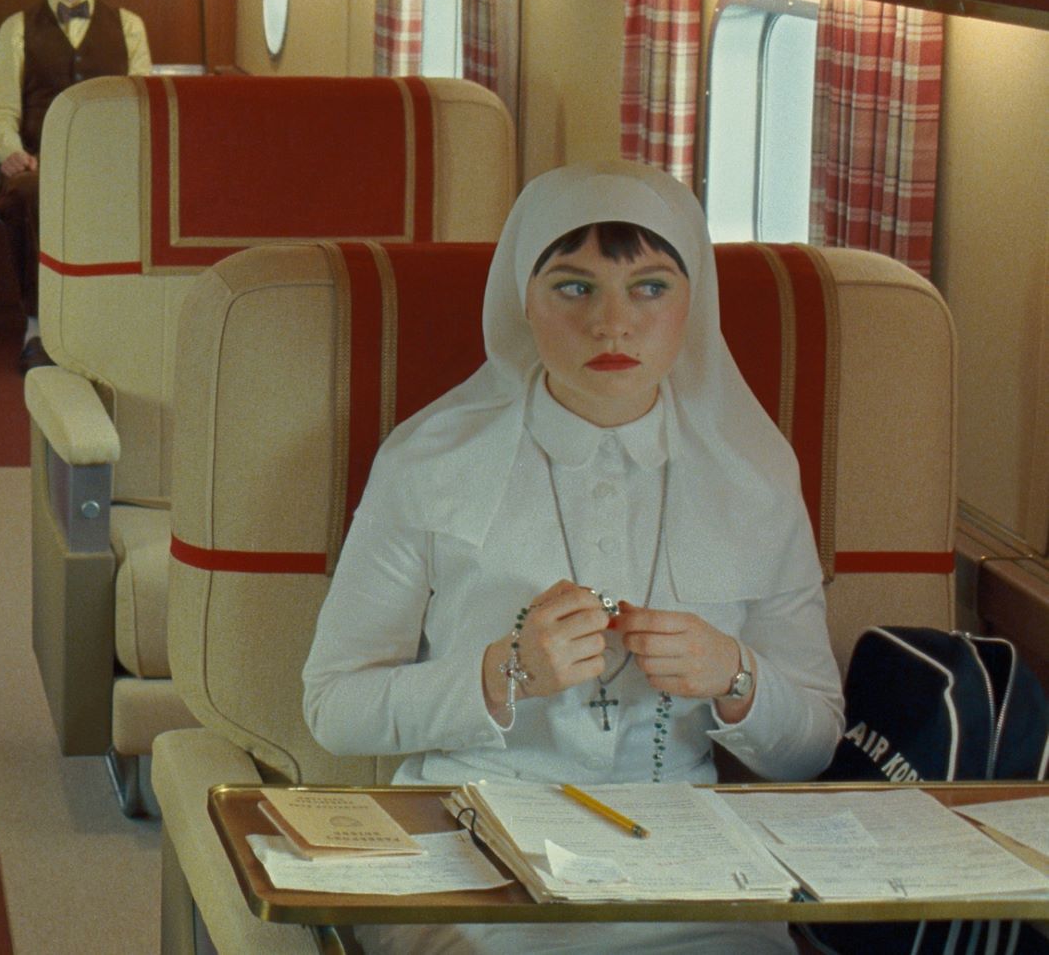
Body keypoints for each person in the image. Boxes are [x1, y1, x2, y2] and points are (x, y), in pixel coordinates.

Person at [303, 161, 842, 955]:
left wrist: (737, 675)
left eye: (649, 287)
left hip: (681, 864)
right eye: (575, 287)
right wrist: (502, 673)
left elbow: (814, 743)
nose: (612, 324)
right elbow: (333, 706)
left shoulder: (755, 476)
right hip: (470, 846)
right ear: (523, 299)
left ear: (694, 303)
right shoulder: (428, 462)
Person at [0, 0, 151, 369]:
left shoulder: (129, 26)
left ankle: (117, 329)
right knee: (27, 194)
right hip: (40, 162)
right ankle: (37, 328)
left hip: (111, 162)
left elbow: (143, 106)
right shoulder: (16, 29)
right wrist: (12, 153)